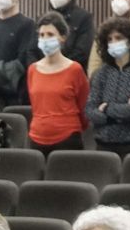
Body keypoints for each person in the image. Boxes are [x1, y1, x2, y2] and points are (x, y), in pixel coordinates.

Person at [87, 18, 130, 156]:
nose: (113, 42)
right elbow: (90, 110)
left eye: (118, 38)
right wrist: (119, 112)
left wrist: (105, 108)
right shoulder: (101, 73)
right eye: (109, 39)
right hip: (104, 145)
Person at [28, 13, 90, 154]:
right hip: (37, 137)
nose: (45, 39)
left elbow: (84, 107)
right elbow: (36, 105)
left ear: (62, 38)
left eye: (50, 34)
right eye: (41, 35)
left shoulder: (75, 69)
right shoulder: (32, 69)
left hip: (67, 138)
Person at [47, 0, 95, 67]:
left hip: (71, 71)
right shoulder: (44, 19)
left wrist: (57, 64)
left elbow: (82, 52)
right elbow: (33, 50)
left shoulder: (84, 18)